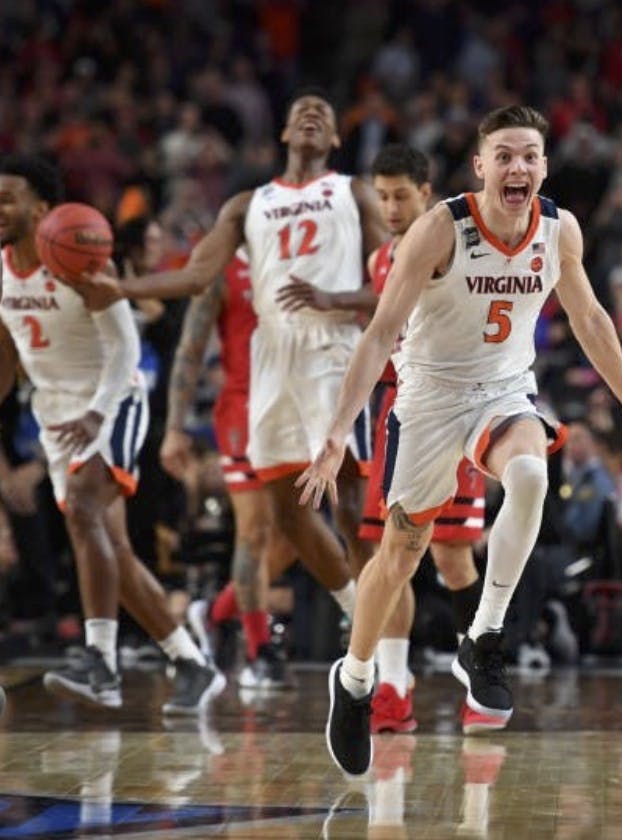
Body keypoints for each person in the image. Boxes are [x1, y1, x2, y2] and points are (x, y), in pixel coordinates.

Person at [297, 105, 622, 776]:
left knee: (533, 476)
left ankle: (482, 635)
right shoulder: (437, 229)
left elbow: (589, 316)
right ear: (479, 166)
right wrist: (337, 434)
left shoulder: (558, 229)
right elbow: (377, 334)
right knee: (398, 556)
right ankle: (356, 679)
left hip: (503, 395)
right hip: (426, 398)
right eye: (503, 155)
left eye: (529, 156)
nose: (518, 167)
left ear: (543, 166)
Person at [82, 91, 383, 634]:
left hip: (331, 345)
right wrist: (119, 288)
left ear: (336, 138)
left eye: (324, 112)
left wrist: (337, 299)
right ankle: (355, 608)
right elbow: (196, 277)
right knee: (286, 514)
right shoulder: (248, 205)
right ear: (284, 136)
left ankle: (378, 647)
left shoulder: (352, 192)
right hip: (269, 358)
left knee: (347, 500)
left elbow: (392, 279)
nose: (311, 114)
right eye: (300, 113)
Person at [0, 154, 223, 712]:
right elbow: (8, 348)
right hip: (55, 412)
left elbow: (125, 347)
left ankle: (101, 661)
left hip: (113, 399)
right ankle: (192, 664)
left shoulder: (79, 255)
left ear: (42, 208)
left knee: (81, 511)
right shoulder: (1, 268)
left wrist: (99, 413)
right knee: (114, 553)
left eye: (8, 198)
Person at [281, 144, 491, 734]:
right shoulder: (379, 259)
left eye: (402, 195)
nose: (392, 206)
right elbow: (379, 322)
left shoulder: (456, 243)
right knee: (388, 556)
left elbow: (399, 308)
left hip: (456, 405)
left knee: (451, 555)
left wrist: (334, 300)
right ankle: (393, 688)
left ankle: (481, 674)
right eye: (384, 196)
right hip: (395, 411)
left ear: (427, 194)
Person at [162, 249, 355, 689]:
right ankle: (258, 650)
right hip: (243, 412)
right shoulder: (224, 268)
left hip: (302, 407)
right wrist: (175, 427)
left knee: (297, 532)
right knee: (255, 531)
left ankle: (212, 614)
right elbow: (190, 349)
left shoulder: (312, 254)